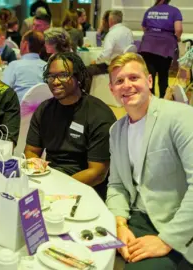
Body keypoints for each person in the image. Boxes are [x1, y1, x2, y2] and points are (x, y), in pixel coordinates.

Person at [107, 52, 193, 269]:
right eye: (119, 81)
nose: (127, 85)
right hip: (136, 219)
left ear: (149, 81)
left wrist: (167, 240)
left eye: (134, 78)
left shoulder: (180, 117)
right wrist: (119, 223)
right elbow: (116, 185)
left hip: (176, 225)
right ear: (112, 90)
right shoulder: (117, 131)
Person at [24, 52, 116, 200]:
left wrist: (58, 187)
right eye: (51, 76)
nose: (55, 81)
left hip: (86, 189)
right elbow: (31, 151)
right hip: (50, 179)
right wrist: (36, 168)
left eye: (63, 75)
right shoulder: (44, 110)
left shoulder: (99, 115)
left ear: (78, 77)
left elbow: (97, 173)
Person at [139, 0, 183, 98]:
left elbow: (144, 27)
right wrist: (177, 39)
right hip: (165, 46)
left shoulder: (150, 10)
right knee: (163, 75)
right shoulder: (174, 11)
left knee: (150, 75)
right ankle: (163, 100)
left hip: (147, 45)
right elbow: (178, 29)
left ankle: (150, 101)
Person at [2, 30, 47, 102]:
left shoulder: (14, 66)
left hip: (18, 111)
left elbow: (2, 92)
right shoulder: (47, 66)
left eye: (21, 42)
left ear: (25, 45)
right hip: (43, 111)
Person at [88, 10, 133, 76]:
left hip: (113, 66)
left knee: (87, 70)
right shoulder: (128, 31)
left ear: (110, 20)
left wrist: (96, 61)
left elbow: (106, 54)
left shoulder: (112, 34)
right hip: (126, 64)